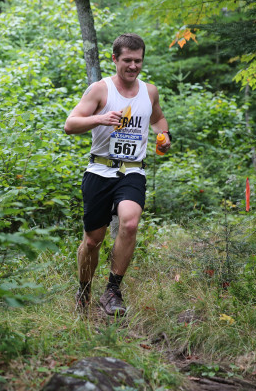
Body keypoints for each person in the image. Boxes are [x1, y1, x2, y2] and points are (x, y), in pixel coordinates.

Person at [64, 33, 171, 316]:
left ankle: (113, 290)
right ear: (114, 59)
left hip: (132, 171)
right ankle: (84, 288)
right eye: (127, 60)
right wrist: (99, 118)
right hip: (100, 169)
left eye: (138, 61)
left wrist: (164, 135)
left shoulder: (149, 92)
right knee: (92, 241)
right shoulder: (100, 90)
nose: (133, 66)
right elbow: (70, 124)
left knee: (130, 223)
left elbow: (158, 118)